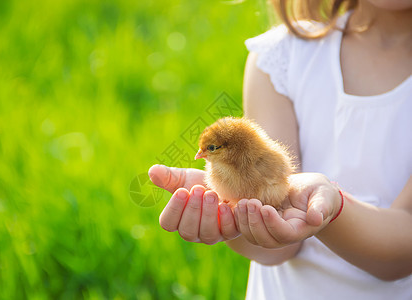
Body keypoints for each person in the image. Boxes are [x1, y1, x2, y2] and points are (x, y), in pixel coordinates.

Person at [148, 0, 412, 298]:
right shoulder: (282, 56)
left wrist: (333, 208)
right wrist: (232, 221)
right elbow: (276, 239)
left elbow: (404, 249)